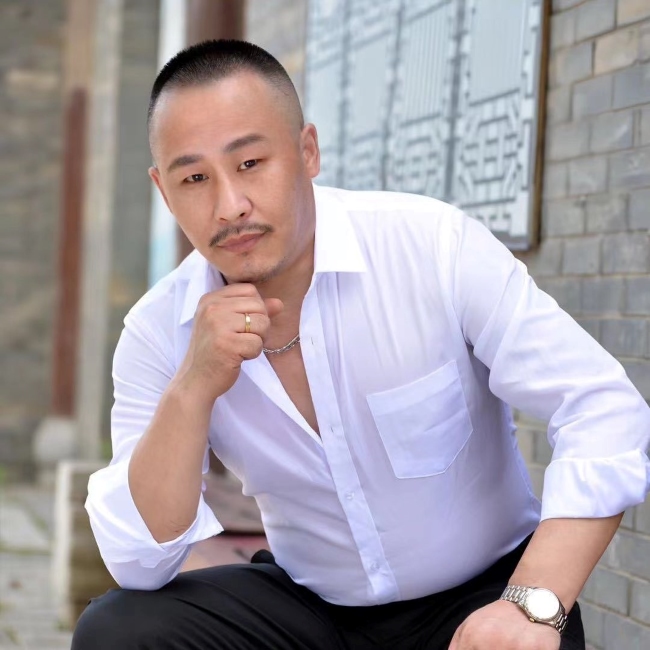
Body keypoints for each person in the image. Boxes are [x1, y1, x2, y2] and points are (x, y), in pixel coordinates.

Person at [72, 39, 650, 650]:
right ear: (164, 192)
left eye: (250, 163)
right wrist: (192, 386)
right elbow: (139, 561)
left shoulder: (431, 247)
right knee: (121, 631)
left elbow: (601, 407)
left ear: (308, 151)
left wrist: (533, 604)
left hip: (480, 600)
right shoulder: (158, 329)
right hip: (313, 612)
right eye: (194, 178)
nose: (230, 206)